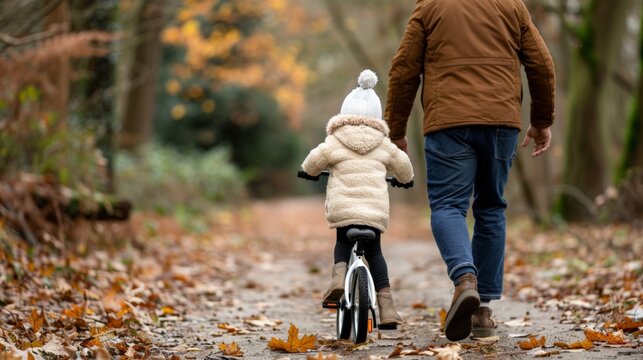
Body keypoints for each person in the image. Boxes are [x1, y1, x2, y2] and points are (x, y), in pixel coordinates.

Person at [384, 0, 555, 341]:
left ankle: (465, 280)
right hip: (500, 122)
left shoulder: (430, 6)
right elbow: (541, 64)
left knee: (448, 206)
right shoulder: (511, 5)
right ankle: (482, 313)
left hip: (448, 123)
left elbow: (404, 68)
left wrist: (395, 127)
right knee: (491, 207)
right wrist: (541, 121)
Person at [301, 69, 414, 328]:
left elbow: (313, 161)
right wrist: (406, 179)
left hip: (344, 208)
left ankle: (338, 280)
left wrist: (308, 172)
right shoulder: (385, 145)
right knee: (375, 252)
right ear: (377, 117)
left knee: (342, 240)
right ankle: (387, 308)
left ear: (344, 114)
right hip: (374, 212)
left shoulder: (335, 140)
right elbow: (404, 168)